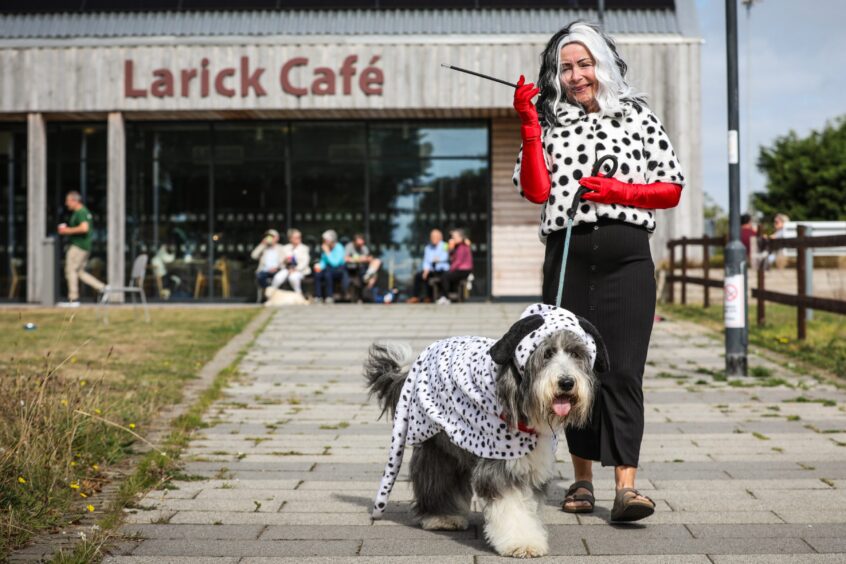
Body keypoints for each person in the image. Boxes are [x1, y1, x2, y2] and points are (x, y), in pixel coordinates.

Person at [512, 21, 684, 521]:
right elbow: (537, 191)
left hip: (627, 258)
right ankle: (581, 482)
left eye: (584, 64)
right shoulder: (548, 120)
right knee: (570, 370)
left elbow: (670, 186)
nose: (575, 75)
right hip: (567, 255)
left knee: (624, 371)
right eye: (565, 67)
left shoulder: (636, 116)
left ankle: (626, 487)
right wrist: (527, 122)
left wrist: (619, 192)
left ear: (602, 66)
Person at [57, 191, 106, 306]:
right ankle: (103, 288)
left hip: (78, 246)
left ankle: (73, 299)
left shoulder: (81, 212)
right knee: (80, 272)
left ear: (75, 200)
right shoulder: (82, 212)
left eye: (68, 201)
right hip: (84, 246)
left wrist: (67, 230)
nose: (66, 204)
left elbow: (84, 228)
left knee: (70, 271)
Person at [408, 229, 450, 303]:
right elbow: (426, 260)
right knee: (418, 276)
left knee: (444, 276)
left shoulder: (445, 245)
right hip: (431, 270)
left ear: (440, 237)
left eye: (435, 237)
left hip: (442, 270)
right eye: (432, 237)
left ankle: (440, 296)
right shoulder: (428, 247)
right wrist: (426, 269)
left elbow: (445, 257)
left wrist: (438, 259)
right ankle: (415, 296)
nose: (433, 238)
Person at [438, 228, 473, 304]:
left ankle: (445, 297)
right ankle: (449, 297)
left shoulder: (463, 246)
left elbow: (458, 261)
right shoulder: (457, 246)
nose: (452, 239)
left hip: (464, 270)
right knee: (446, 275)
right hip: (461, 269)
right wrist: (450, 249)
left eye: (454, 237)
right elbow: (452, 258)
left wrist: (450, 269)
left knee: (445, 276)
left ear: (460, 237)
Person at [313, 229, 349, 303]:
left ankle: (329, 296)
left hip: (338, 269)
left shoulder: (339, 247)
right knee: (317, 274)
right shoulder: (326, 248)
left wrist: (327, 252)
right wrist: (319, 267)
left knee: (327, 274)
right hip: (328, 268)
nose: (324, 242)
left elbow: (335, 263)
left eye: (325, 240)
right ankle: (318, 296)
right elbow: (323, 261)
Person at [274, 228, 311, 295]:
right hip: (287, 269)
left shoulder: (304, 248)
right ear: (290, 239)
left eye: (299, 237)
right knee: (278, 278)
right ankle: (272, 295)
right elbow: (280, 262)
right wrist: (285, 261)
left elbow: (305, 263)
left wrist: (295, 269)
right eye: (296, 238)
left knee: (293, 278)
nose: (299, 239)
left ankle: (299, 295)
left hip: (300, 271)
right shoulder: (285, 248)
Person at [345, 233, 382, 297]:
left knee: (377, 262)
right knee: (373, 276)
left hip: (363, 268)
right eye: (359, 244)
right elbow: (346, 259)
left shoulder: (364, 248)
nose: (361, 245)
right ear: (355, 242)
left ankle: (368, 276)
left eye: (362, 244)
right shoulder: (349, 246)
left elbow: (369, 258)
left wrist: (367, 259)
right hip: (352, 269)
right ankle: (367, 278)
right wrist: (359, 259)